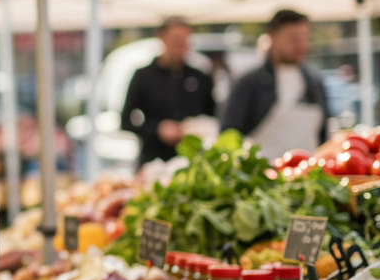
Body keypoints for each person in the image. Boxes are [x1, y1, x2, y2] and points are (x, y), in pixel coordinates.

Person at [222, 9, 329, 158]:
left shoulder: (314, 83)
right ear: (273, 36)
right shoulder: (249, 84)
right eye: (293, 38)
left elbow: (324, 138)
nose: (301, 45)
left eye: (305, 38)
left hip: (307, 168)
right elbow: (229, 136)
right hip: (262, 169)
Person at [121, 17, 215, 166]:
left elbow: (213, 117)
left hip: (192, 162)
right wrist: (157, 130)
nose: (181, 46)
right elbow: (126, 121)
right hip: (153, 161)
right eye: (176, 40)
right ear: (161, 38)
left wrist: (196, 128)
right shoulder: (143, 76)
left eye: (185, 41)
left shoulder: (200, 77)